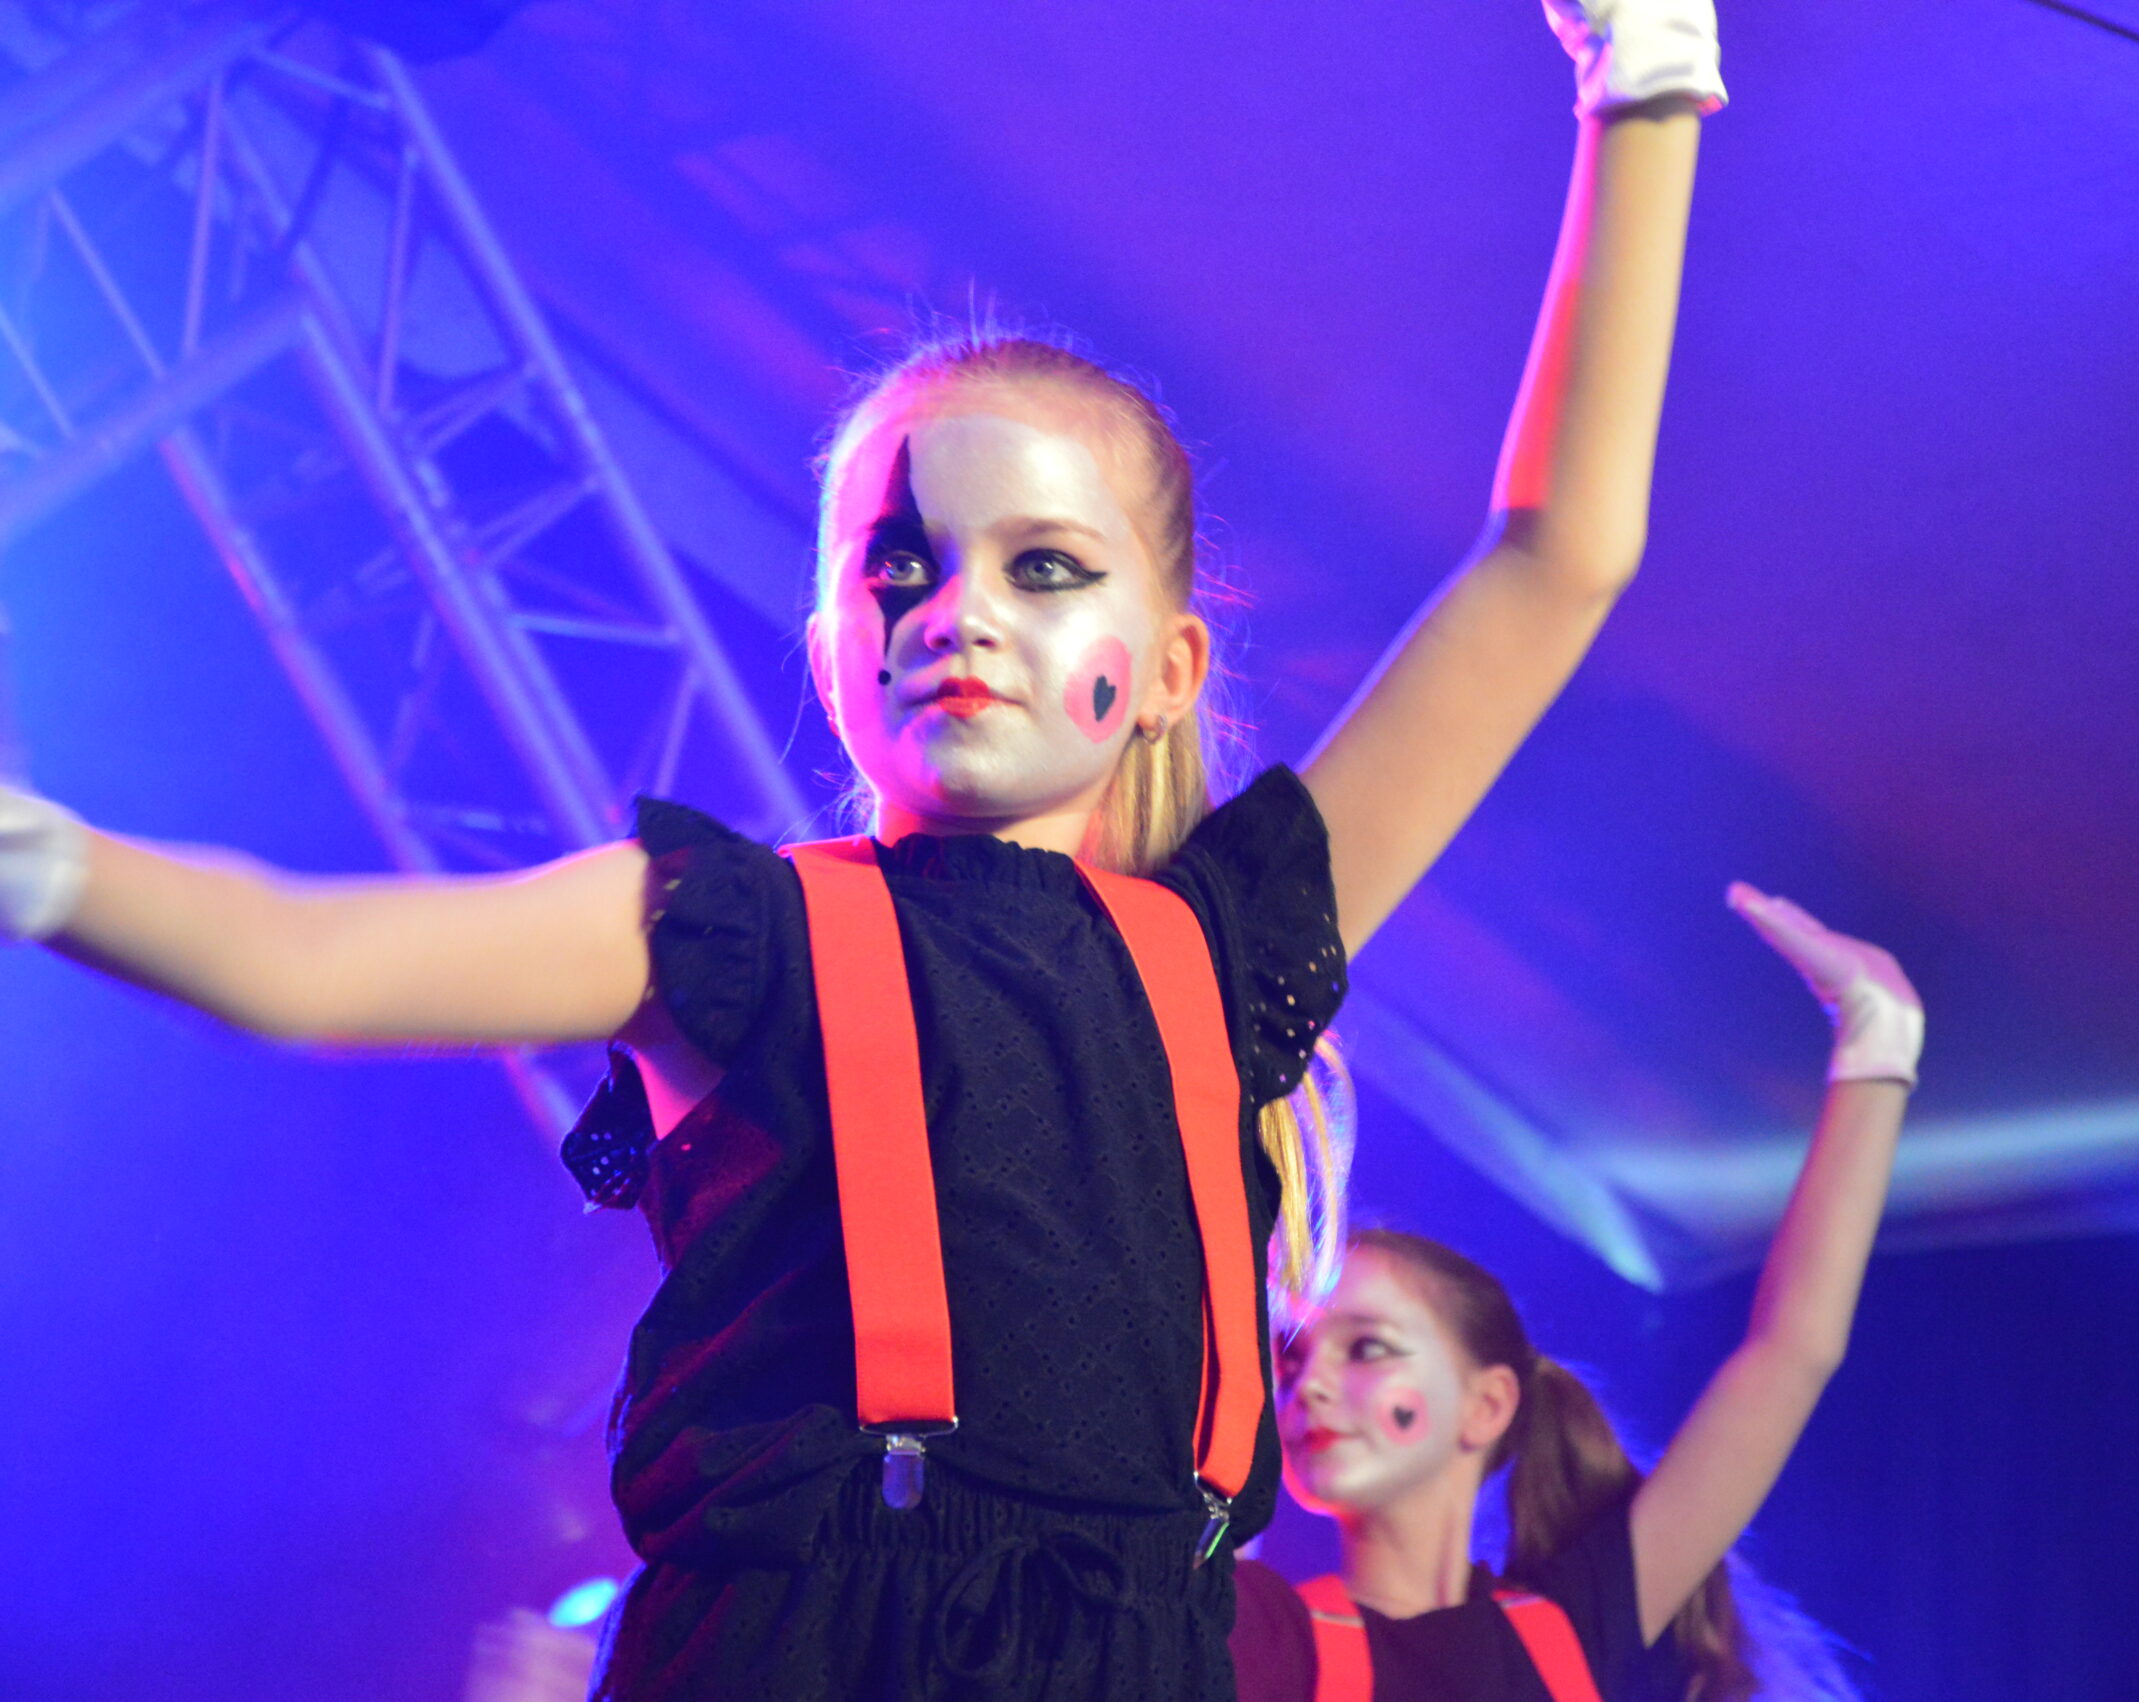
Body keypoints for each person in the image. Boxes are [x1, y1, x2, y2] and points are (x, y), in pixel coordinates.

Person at [0, 3, 1727, 1696]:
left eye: (1044, 566)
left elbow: (1553, 564)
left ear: (1169, 668)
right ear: (831, 656)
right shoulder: (731, 930)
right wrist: (41, 857)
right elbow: (308, 964)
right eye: (898, 566)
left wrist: (1639, 83)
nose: (956, 608)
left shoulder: (1226, 949)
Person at [1234, 886, 1918, 1702]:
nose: (1306, 1383)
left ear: (1488, 1404)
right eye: (1290, 1357)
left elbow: (1790, 1352)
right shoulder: (1253, 1633)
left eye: (1367, 1347)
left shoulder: (1572, 1629)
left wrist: (1879, 1045)